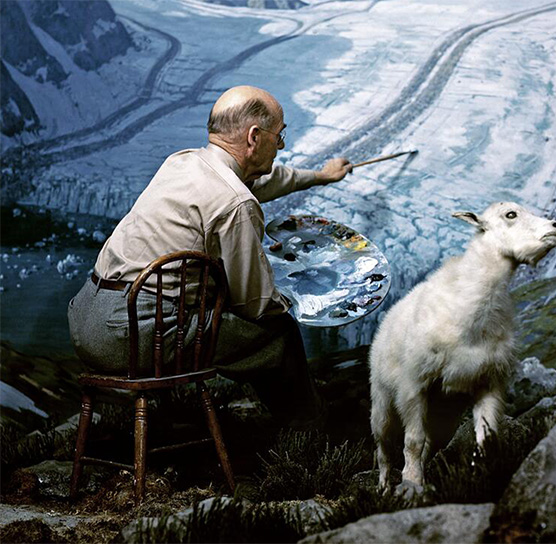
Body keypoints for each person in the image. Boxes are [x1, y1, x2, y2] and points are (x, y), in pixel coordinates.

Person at [67, 85, 352, 428]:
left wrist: (320, 176)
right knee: (278, 333)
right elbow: (255, 304)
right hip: (129, 335)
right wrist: (290, 297)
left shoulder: (184, 163)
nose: (281, 146)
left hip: (86, 318)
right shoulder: (236, 203)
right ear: (254, 137)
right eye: (280, 136)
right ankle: (309, 433)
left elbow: (259, 181)